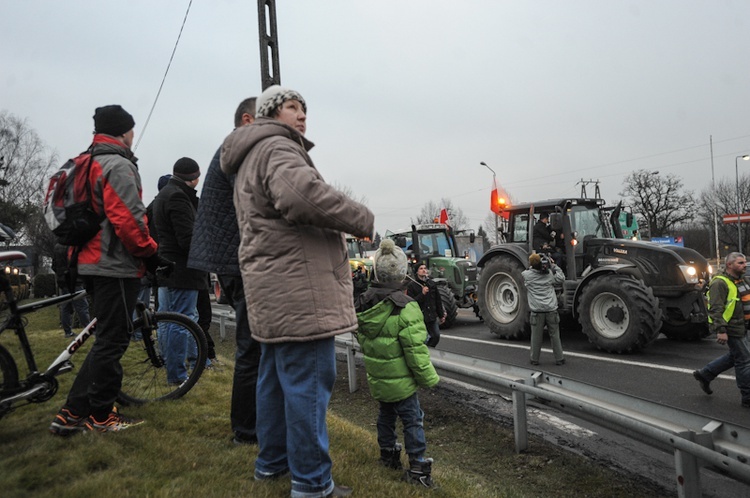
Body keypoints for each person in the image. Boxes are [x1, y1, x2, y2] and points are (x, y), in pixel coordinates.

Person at [221, 85, 374, 498]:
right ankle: (311, 484)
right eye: (292, 107)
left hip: (275, 286)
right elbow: (302, 197)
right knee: (309, 382)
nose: (302, 115)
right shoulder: (277, 148)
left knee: (272, 379)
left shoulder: (253, 151)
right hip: (298, 288)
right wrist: (361, 217)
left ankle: (271, 466)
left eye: (305, 108)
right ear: (272, 113)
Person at [49, 104, 164, 435]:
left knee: (105, 340)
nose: (133, 134)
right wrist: (152, 254)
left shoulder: (88, 161)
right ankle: (101, 416)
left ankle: (72, 412)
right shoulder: (117, 166)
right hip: (114, 263)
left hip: (90, 261)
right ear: (122, 131)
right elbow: (128, 220)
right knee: (113, 341)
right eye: (131, 129)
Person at [187, 96, 260, 445]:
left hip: (233, 263)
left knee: (255, 349)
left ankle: (253, 427)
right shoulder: (238, 149)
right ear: (248, 120)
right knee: (252, 349)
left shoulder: (230, 148)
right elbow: (258, 204)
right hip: (243, 263)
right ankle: (247, 431)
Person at [355, 239, 440, 488]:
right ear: (402, 272)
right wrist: (429, 379)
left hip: (379, 376)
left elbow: (364, 339)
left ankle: (388, 454)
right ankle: (417, 467)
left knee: (385, 415)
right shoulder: (406, 308)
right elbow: (415, 351)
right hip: (402, 381)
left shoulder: (364, 303)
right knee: (413, 420)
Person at [152, 157, 209, 384]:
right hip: (182, 271)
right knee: (182, 323)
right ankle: (177, 375)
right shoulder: (177, 197)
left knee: (169, 320)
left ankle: (171, 367)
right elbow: (187, 239)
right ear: (192, 178)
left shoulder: (164, 195)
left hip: (169, 268)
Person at [693, 252, 750, 408]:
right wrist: (721, 330)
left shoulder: (741, 280)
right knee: (744, 361)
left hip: (742, 326)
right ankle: (747, 396)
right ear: (729, 265)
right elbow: (715, 309)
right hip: (731, 327)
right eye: (740, 263)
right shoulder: (720, 283)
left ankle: (705, 374)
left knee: (736, 356)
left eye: (745, 262)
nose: (744, 265)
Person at [522, 253, 565, 366]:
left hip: (537, 312)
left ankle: (534, 359)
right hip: (551, 310)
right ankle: (559, 358)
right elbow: (561, 277)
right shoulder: (549, 275)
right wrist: (553, 265)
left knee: (536, 337)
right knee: (555, 336)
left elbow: (527, 271)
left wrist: (532, 266)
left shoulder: (527, 276)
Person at [52, 243, 90, 338]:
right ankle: (88, 329)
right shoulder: (73, 245)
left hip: (62, 281)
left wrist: (60, 274)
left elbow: (54, 265)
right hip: (75, 280)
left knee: (65, 306)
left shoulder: (57, 246)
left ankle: (67, 332)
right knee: (82, 306)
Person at [406, 263, 446, 347]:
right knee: (422, 338)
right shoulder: (412, 285)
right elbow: (411, 302)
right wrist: (422, 294)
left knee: (436, 336)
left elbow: (437, 300)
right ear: (417, 272)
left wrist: (441, 314)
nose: (424, 270)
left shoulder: (431, 283)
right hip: (420, 316)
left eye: (425, 268)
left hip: (431, 315)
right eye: (421, 268)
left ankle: (430, 349)